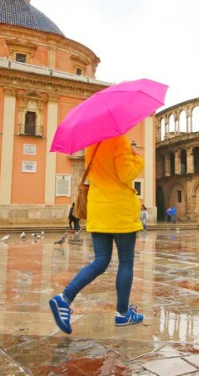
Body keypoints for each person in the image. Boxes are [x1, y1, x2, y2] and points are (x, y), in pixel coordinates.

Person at [49, 135, 145, 334]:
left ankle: (65, 298)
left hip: (98, 209)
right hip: (119, 210)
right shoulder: (120, 140)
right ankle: (123, 314)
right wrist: (137, 158)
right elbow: (126, 174)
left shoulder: (92, 144)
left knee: (100, 261)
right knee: (126, 262)